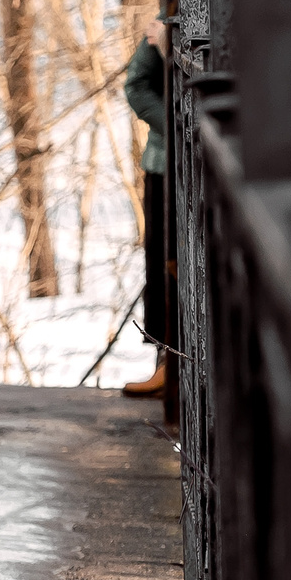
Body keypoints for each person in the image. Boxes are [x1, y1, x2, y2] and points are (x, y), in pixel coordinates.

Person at [120, 23, 173, 403]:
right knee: (162, 262)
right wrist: (175, 123)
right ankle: (165, 363)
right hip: (165, 164)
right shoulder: (168, 15)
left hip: (220, 160)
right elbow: (136, 85)